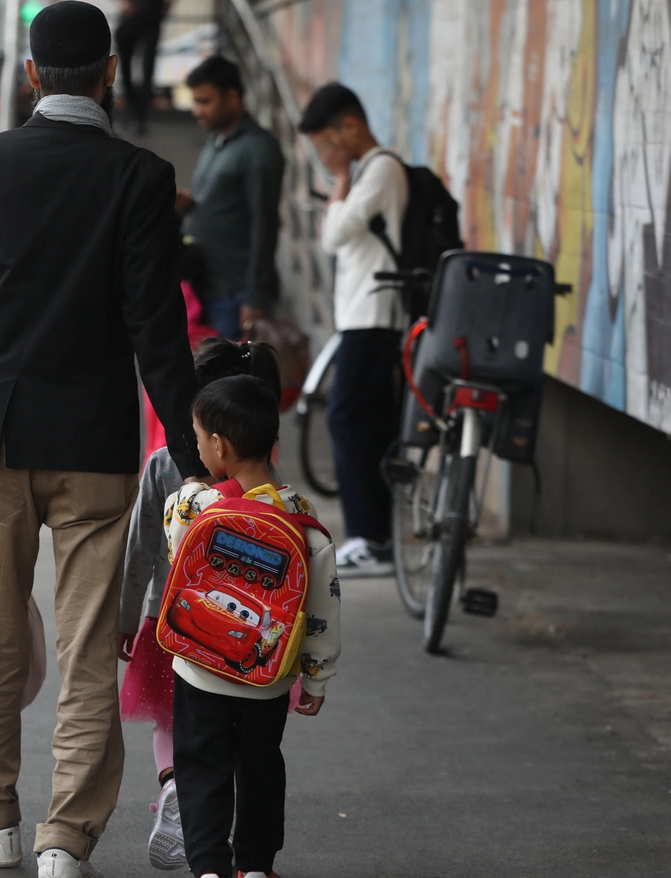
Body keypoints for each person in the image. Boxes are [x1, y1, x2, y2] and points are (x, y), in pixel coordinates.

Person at [0, 4, 206, 876]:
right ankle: (67, 837)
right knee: (89, 642)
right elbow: (157, 327)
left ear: (28, 75)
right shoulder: (140, 176)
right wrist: (201, 457)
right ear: (110, 74)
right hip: (94, 440)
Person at [161, 375, 339, 878]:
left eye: (198, 439)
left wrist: (194, 487)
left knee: (201, 767)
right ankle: (256, 866)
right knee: (261, 767)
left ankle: (210, 867)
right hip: (268, 677)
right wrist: (317, 675)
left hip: (200, 672)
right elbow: (323, 601)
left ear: (219, 445)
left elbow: (175, 536)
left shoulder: (195, 506)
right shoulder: (300, 515)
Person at [118, 338, 281, 870]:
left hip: (180, 631)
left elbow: (143, 545)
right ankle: (251, 858)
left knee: (181, 730)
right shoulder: (279, 490)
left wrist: (124, 618)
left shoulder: (172, 473)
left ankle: (176, 795)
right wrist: (316, 670)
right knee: (251, 749)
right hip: (259, 646)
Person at [298, 82, 407, 577]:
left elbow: (335, 234)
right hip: (363, 319)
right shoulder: (372, 171)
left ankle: (370, 538)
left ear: (350, 126)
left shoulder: (382, 168)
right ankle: (378, 538)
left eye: (327, 143)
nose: (324, 155)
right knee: (370, 424)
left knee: (346, 420)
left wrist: (340, 179)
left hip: (374, 318)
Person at [176, 56, 282, 339]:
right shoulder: (216, 142)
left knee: (227, 380)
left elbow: (265, 224)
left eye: (205, 101)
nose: (197, 111)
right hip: (204, 290)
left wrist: (255, 298)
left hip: (234, 298)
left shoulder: (257, 149)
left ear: (232, 97)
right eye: (195, 101)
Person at [115, 0, 170, 134]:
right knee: (127, 68)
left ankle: (139, 116)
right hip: (132, 17)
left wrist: (167, 5)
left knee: (147, 68)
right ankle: (131, 112)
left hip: (151, 16)